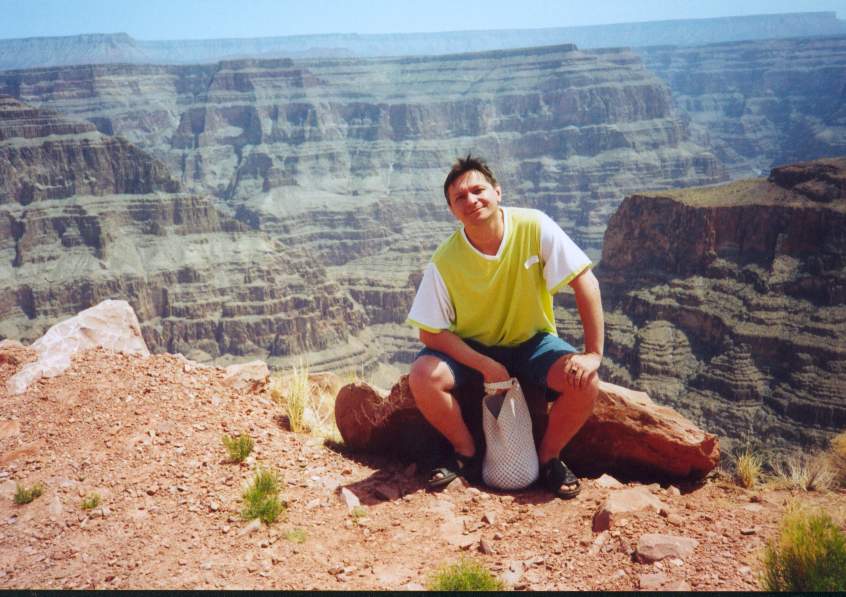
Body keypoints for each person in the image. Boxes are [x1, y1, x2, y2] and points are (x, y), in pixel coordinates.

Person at [405, 154, 604, 499]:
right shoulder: (445, 260)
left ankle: (549, 458)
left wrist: (593, 354)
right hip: (473, 348)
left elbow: (585, 282)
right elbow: (430, 332)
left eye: (478, 190)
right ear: (452, 210)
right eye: (460, 198)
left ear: (497, 191)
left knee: (584, 382)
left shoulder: (534, 226)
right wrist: (485, 365)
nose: (471, 200)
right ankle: (465, 452)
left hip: (533, 343)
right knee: (423, 375)